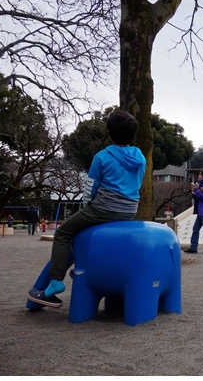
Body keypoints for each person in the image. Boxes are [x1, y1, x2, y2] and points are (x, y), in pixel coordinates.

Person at [27, 110, 146, 308]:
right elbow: (138, 182)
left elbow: (90, 187)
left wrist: (88, 205)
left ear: (108, 132)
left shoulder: (102, 157)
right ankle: (89, 267)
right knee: (90, 236)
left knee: (64, 233)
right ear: (133, 135)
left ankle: (56, 282)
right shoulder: (140, 157)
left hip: (103, 209)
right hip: (129, 210)